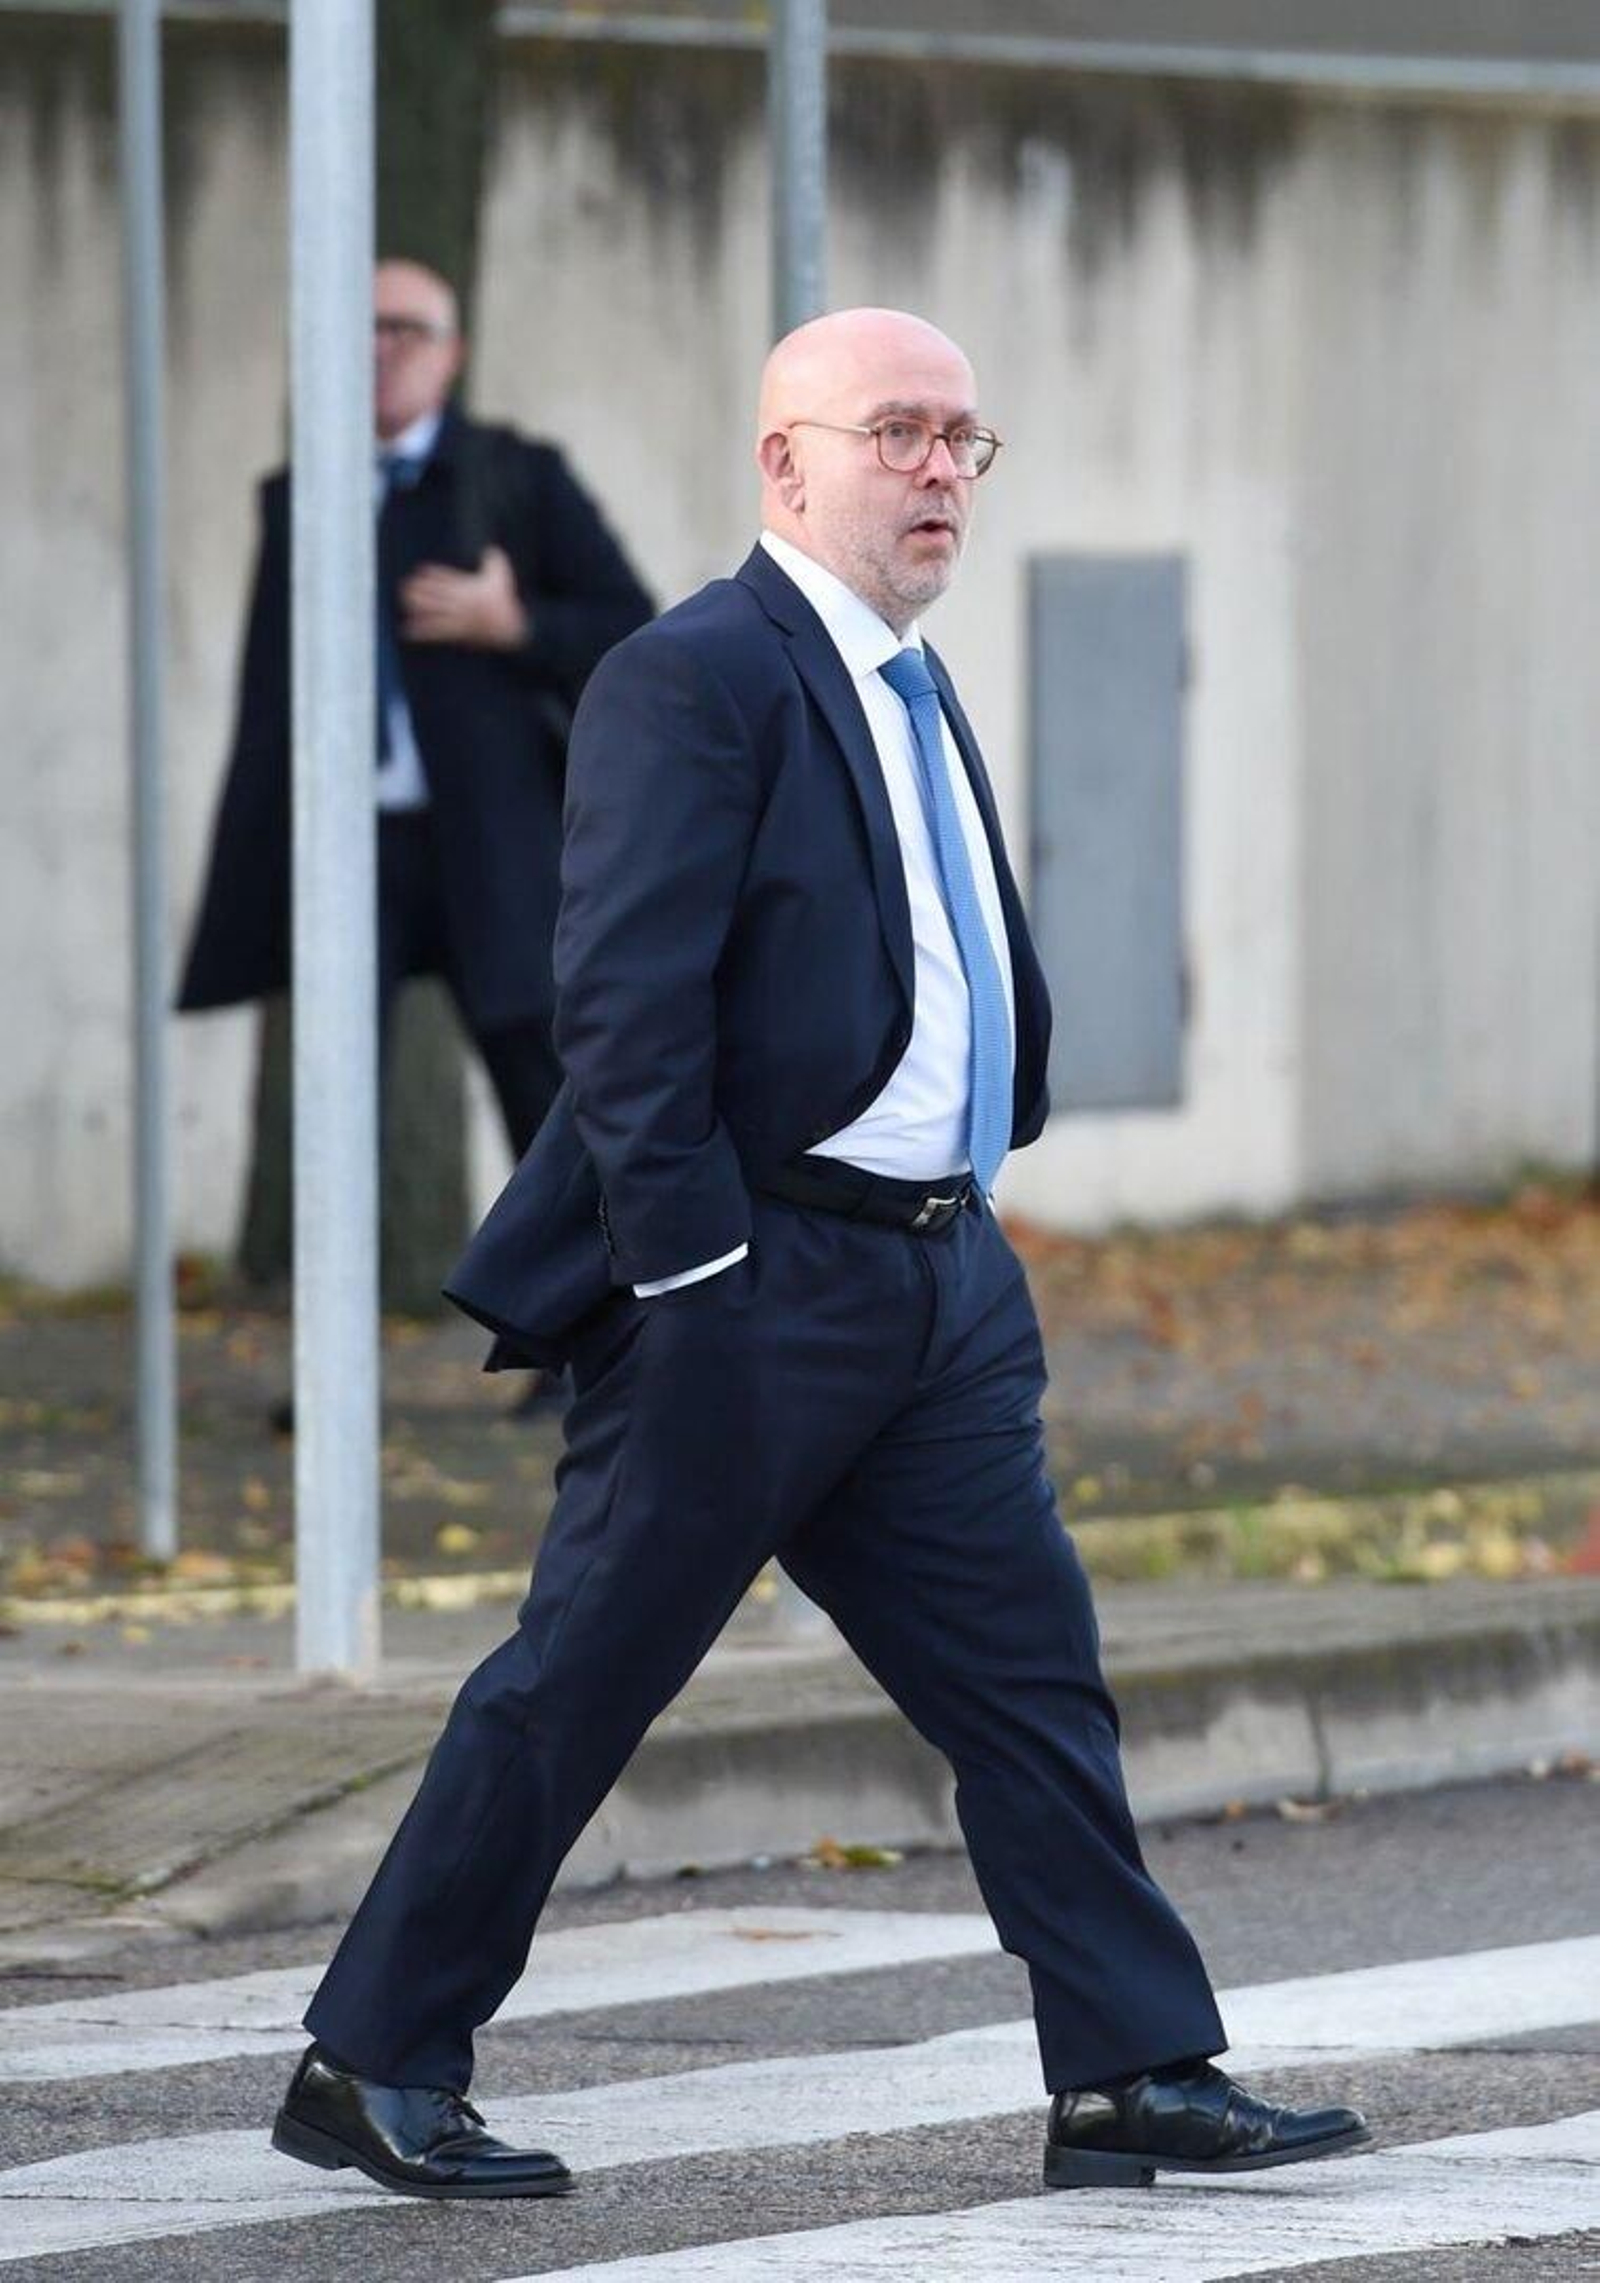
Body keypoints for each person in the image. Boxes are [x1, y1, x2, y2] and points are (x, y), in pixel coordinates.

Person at [270, 308, 1371, 2202]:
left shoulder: (912, 680)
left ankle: (1132, 2067)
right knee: (582, 1675)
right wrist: (697, 1279)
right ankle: (369, 2059)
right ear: (788, 463)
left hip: (937, 1282)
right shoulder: (693, 674)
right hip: (752, 1286)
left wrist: (967, 1207)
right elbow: (622, 1009)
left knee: (1033, 1681)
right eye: (899, 433)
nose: (943, 470)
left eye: (963, 439)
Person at [177, 258, 654, 1321]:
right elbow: (268, 696)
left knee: (548, 1097)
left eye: (408, 329)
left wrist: (516, 624)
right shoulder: (303, 496)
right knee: (333, 1106)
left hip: (497, 846)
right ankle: (331, 1363)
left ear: (452, 354)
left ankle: (585, 1344)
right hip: (349, 851)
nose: (384, 350)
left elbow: (634, 629)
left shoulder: (515, 477)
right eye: (364, 328)